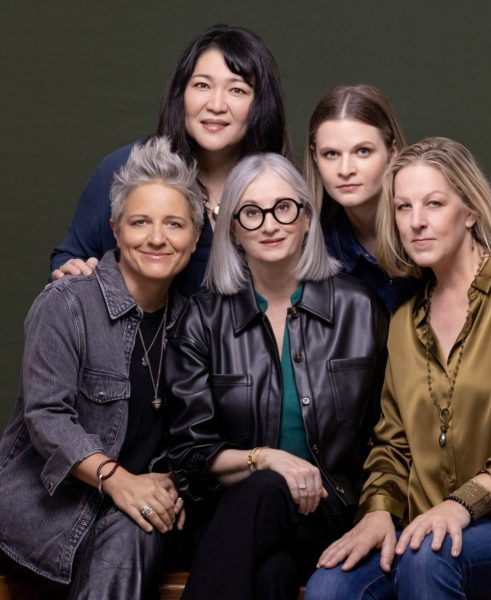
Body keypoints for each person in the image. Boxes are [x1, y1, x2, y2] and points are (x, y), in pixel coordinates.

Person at [305, 137, 491, 600]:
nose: (416, 221)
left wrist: (461, 505)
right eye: (403, 207)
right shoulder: (404, 320)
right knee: (330, 583)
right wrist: (378, 510)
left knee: (428, 555)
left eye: (434, 204)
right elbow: (392, 443)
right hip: (425, 525)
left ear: (470, 211)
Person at [165, 153, 389, 600]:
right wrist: (263, 459)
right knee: (272, 574)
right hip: (232, 515)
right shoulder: (203, 318)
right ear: (233, 230)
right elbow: (191, 455)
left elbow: (389, 434)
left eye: (283, 208)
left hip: (332, 516)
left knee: (268, 517)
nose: (270, 225)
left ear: (306, 218)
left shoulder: (359, 308)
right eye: (252, 213)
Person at [0, 137, 203, 599]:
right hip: (48, 514)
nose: (156, 238)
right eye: (140, 222)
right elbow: (47, 416)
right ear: (115, 230)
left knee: (141, 526)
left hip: (133, 517)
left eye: (174, 224)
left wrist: (173, 482)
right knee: (137, 526)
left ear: (194, 238)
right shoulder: (67, 303)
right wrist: (119, 481)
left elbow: (196, 433)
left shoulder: (194, 325)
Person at [51, 24, 291, 297]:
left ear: (260, 104)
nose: (216, 105)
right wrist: (69, 273)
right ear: (182, 94)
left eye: (236, 90)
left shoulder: (279, 188)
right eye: (202, 85)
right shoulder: (127, 168)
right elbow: (68, 260)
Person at [304, 84, 419, 312]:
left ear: (392, 152)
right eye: (331, 154)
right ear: (315, 157)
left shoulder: (429, 228)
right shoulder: (311, 249)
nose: (345, 170)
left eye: (362, 151)